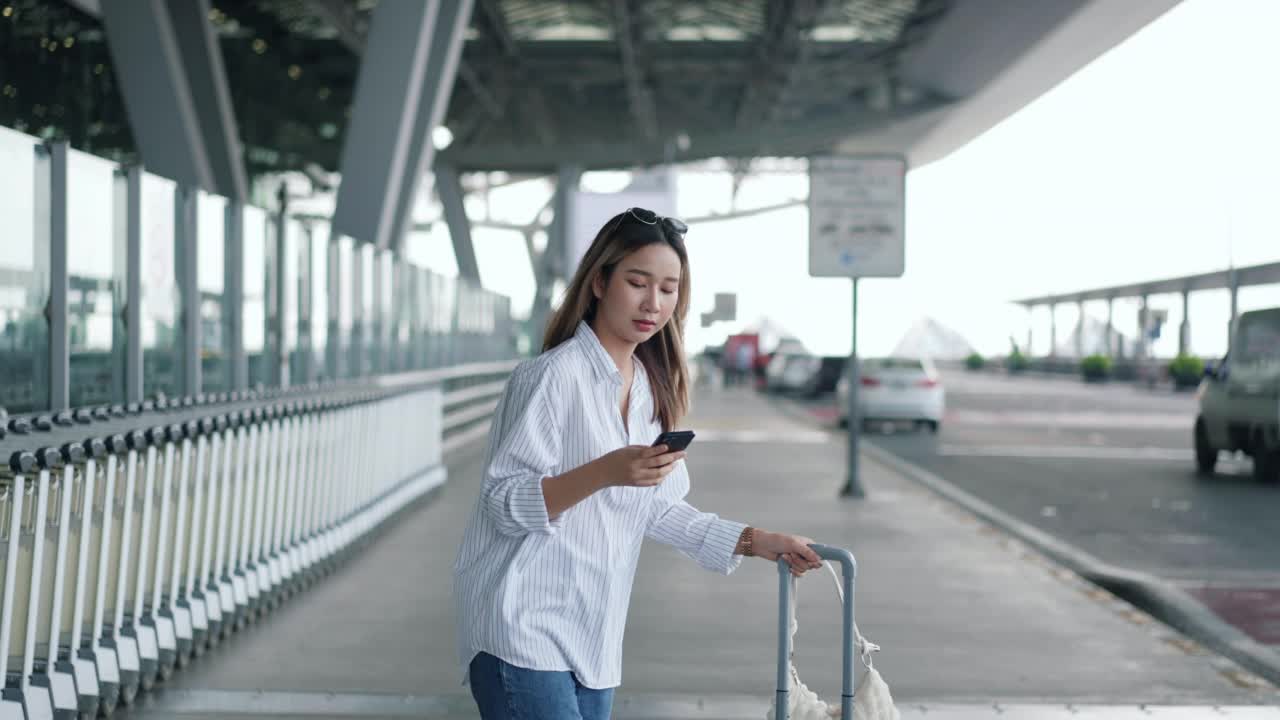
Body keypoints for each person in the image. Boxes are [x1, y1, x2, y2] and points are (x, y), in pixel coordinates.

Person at [453, 207, 823, 720]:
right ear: (600, 281)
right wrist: (604, 471)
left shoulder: (650, 391)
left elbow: (662, 510)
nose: (654, 303)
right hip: (522, 628)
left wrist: (757, 541)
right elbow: (503, 504)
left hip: (594, 638)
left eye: (669, 289)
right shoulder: (549, 378)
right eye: (638, 282)